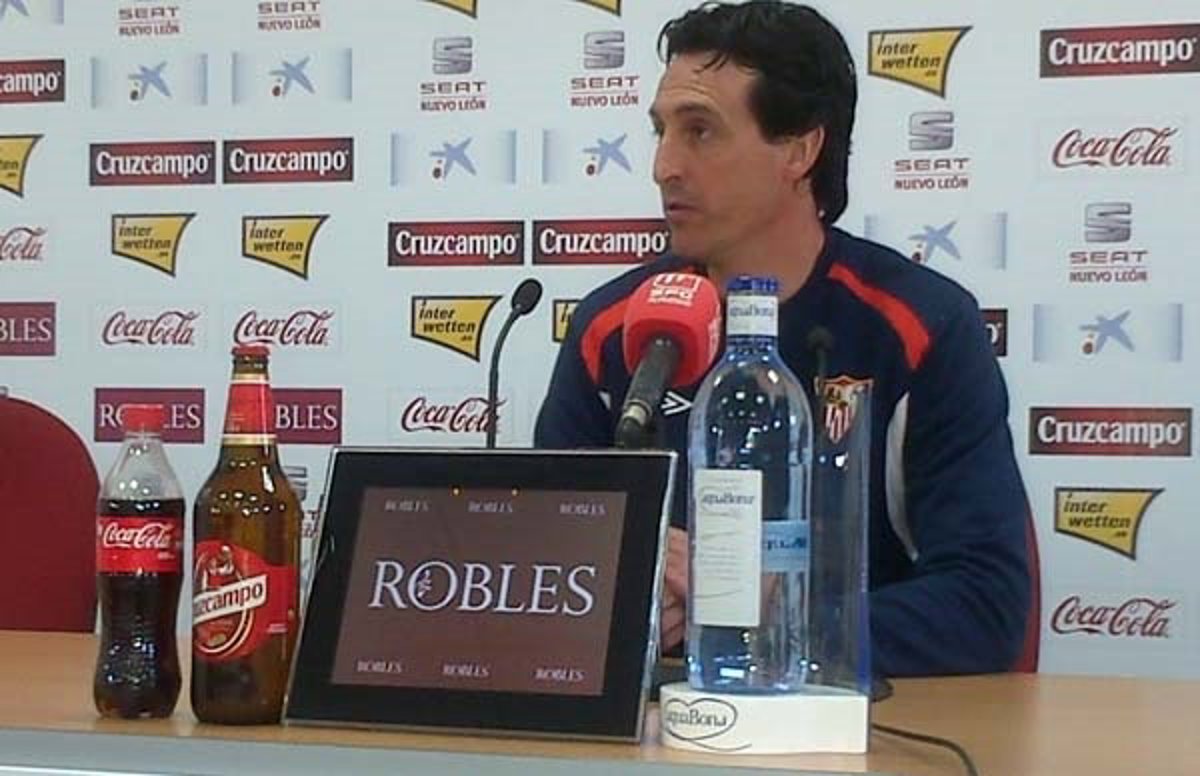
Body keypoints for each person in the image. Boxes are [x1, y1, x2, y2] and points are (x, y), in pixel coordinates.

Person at [534, 0, 1030, 677]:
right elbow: (547, 571)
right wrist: (628, 606)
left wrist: (759, 604)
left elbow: (986, 607)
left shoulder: (921, 327)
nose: (664, 165)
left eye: (700, 131)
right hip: (658, 718)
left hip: (856, 720)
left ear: (799, 150)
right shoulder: (610, 327)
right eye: (661, 131)